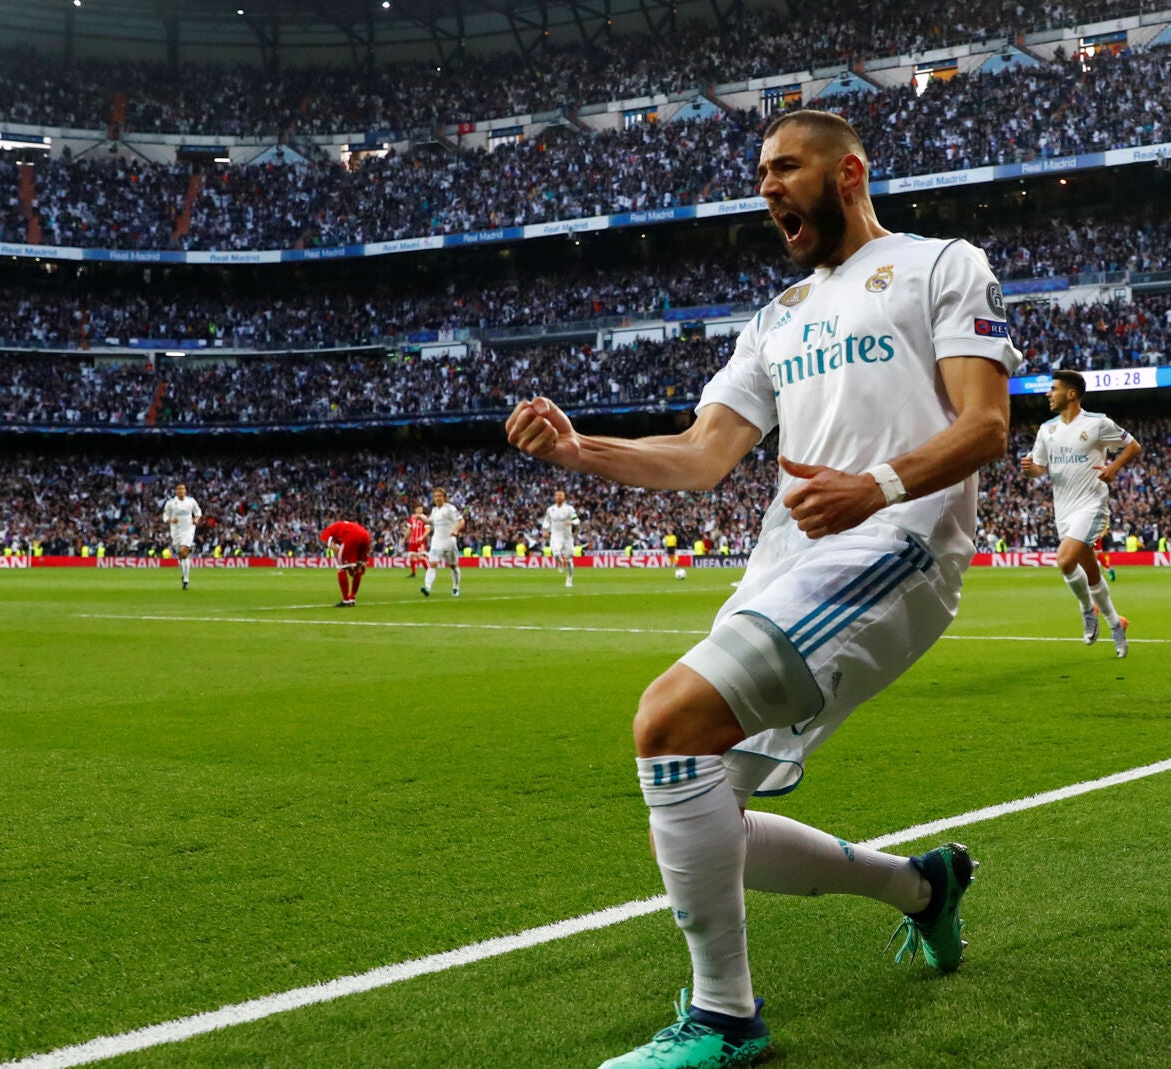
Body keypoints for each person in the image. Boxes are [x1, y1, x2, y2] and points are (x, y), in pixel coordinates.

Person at [504, 109, 1018, 1069]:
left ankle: (726, 1018)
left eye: (786, 167)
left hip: (895, 546)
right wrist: (581, 450)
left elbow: (986, 425)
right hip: (787, 563)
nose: (768, 186)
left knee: (667, 721)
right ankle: (923, 887)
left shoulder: (940, 264)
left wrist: (878, 486)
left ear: (849, 173)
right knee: (704, 805)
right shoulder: (776, 319)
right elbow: (702, 457)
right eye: (761, 172)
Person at [1019, 369, 1140, 655]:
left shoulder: (1098, 424)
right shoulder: (1047, 430)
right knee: (1091, 572)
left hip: (1091, 504)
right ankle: (1115, 622)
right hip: (1064, 509)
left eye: (1054, 389)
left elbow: (1133, 446)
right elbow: (1039, 469)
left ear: (1071, 394)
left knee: (1064, 560)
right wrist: (1029, 470)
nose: (1048, 394)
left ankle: (1087, 609)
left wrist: (1113, 468)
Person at [424, 488, 465, 597]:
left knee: (453, 566)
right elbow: (430, 522)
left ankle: (456, 587)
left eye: (440, 496)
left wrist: (456, 530)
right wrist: (421, 518)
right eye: (436, 496)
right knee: (432, 564)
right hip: (437, 541)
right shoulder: (434, 510)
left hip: (449, 541)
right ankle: (427, 587)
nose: (437, 498)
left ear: (444, 497)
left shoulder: (450, 509)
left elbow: (461, 520)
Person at [321, 519, 371, 606]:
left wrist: (342, 562)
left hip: (352, 536)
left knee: (341, 568)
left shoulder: (327, 533)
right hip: (365, 535)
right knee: (357, 569)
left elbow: (335, 549)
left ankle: (346, 600)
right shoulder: (341, 527)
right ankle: (352, 597)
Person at [161, 483, 202, 590]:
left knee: (184, 552)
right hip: (176, 531)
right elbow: (165, 516)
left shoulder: (191, 501)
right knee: (181, 555)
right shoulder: (170, 503)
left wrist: (196, 519)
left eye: (183, 489)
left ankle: (186, 580)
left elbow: (198, 512)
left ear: (185, 491)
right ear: (176, 491)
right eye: (179, 489)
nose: (181, 491)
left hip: (188, 529)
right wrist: (170, 520)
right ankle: (184, 575)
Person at [544, 489, 581, 588]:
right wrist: (544, 530)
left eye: (561, 495)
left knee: (569, 560)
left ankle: (569, 579)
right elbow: (546, 521)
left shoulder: (569, 509)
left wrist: (571, 522)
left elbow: (577, 520)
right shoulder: (550, 509)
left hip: (567, 537)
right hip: (555, 536)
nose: (559, 497)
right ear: (555, 497)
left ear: (564, 498)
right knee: (556, 553)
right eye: (557, 495)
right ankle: (560, 561)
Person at [404, 506, 430, 579]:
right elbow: (409, 530)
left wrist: (422, 537)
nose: (420, 510)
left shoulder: (425, 518)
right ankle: (413, 573)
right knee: (412, 557)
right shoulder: (412, 518)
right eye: (419, 508)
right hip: (412, 541)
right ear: (415, 509)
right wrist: (404, 538)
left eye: (421, 509)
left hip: (420, 541)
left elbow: (427, 530)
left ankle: (429, 572)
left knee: (421, 556)